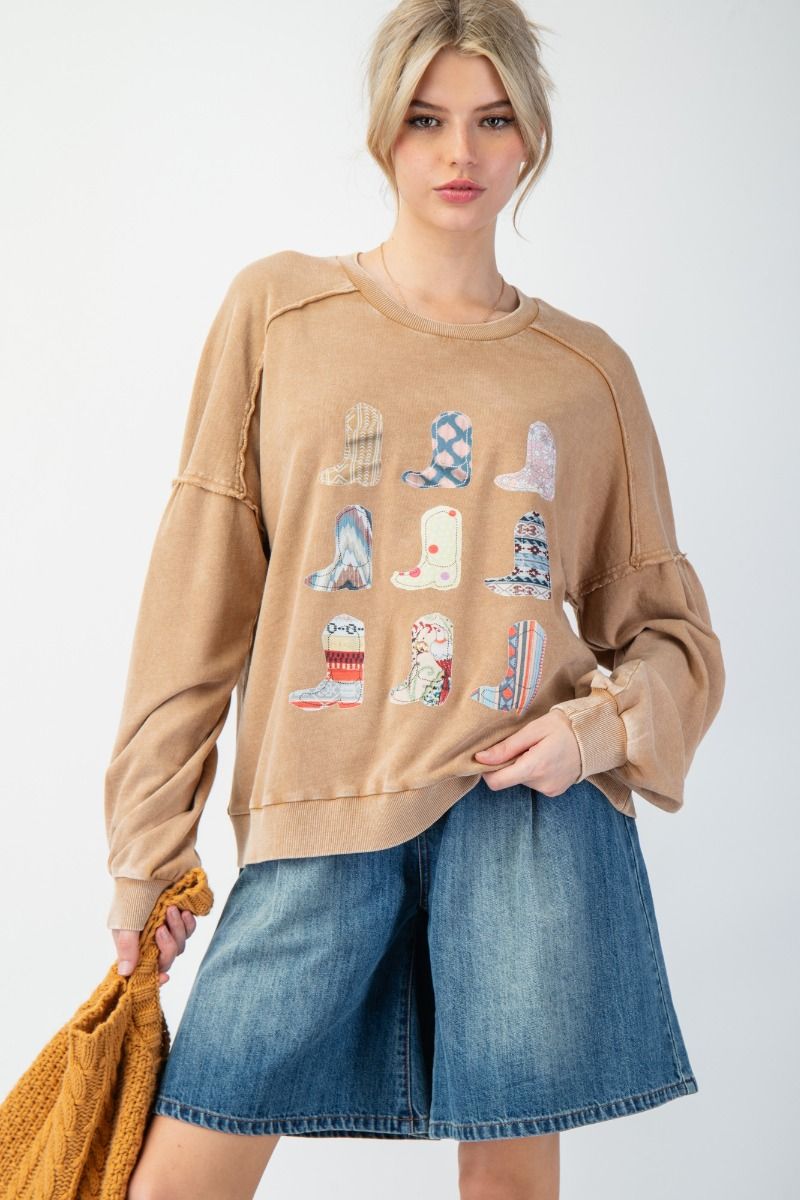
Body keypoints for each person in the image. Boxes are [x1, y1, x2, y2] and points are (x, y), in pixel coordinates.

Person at [109, 2, 726, 1197]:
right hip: (319, 808)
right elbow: (196, 595)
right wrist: (147, 851)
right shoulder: (280, 313)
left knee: (508, 1187)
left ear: (529, 136)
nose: (458, 153)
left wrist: (593, 730)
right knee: (182, 1172)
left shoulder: (583, 374)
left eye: (491, 121)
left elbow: (669, 635)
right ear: (382, 132)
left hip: (523, 817)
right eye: (426, 120)